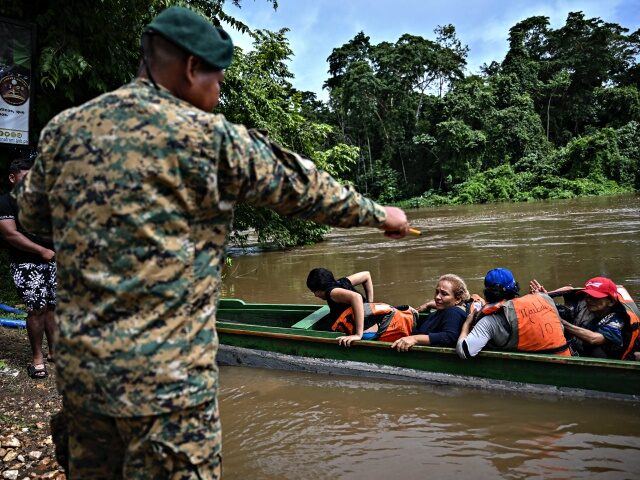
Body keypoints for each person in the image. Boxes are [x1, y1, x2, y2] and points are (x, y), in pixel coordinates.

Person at [15, 6, 410, 479]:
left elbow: (32, 214)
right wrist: (380, 215)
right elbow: (303, 189)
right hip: (170, 392)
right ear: (190, 68)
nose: (218, 91)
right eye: (217, 79)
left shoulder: (64, 131)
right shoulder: (211, 140)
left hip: (85, 384)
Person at [0, 157, 56, 379]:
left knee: (53, 306)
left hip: (53, 261)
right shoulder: (5, 202)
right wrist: (41, 251)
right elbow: (10, 234)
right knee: (37, 309)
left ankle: (54, 352)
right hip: (26, 263)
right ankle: (37, 358)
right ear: (13, 178)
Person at [457, 268, 570, 359]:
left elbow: (464, 351)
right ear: (515, 288)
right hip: (565, 358)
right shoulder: (544, 298)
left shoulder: (489, 321)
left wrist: (467, 324)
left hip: (537, 368)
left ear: (487, 293)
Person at [530, 277, 640, 360]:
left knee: (597, 352)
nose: (589, 300)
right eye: (588, 296)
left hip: (608, 357)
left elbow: (594, 339)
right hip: (578, 348)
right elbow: (561, 312)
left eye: (595, 297)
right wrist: (544, 300)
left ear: (610, 302)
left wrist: (561, 322)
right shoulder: (582, 305)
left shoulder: (618, 319)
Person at [306, 268, 416, 346]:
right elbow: (366, 275)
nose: (315, 295)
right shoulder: (342, 282)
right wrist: (369, 304)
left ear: (320, 289)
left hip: (369, 333)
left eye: (314, 292)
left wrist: (358, 335)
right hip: (376, 324)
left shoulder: (332, 292)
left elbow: (356, 297)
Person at [391, 274, 471, 351]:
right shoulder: (440, 312)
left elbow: (449, 337)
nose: (437, 297)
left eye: (444, 294)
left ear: (458, 300)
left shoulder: (454, 312)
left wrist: (414, 339)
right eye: (437, 292)